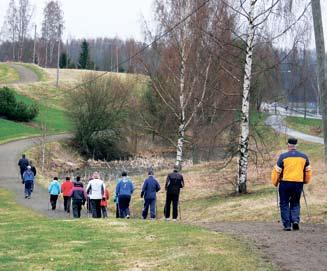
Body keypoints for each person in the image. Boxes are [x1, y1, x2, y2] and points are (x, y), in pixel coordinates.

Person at [271, 138, 312, 231]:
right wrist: (305, 181)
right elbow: (308, 171)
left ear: (288, 145)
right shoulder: (304, 157)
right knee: (295, 202)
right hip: (298, 183)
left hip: (285, 183)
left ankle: (287, 225)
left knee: (284, 203)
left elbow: (277, 171)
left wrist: (275, 182)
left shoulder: (283, 156)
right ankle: (295, 221)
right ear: (296, 146)